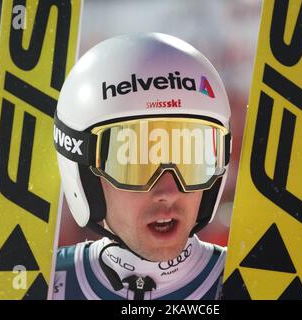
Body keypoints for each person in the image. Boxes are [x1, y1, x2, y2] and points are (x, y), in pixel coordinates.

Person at [52, 32, 232, 300]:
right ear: (84, 173)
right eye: (134, 161)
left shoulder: (263, 286)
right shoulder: (43, 284)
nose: (168, 191)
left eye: (191, 156)